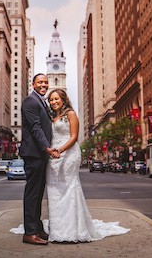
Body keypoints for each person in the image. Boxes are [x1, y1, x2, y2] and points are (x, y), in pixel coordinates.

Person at [46, 88, 130, 243]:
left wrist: (61, 150)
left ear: (64, 99)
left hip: (68, 154)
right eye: (51, 99)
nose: (54, 102)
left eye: (57, 98)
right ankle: (58, 228)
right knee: (54, 189)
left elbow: (74, 137)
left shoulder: (70, 114)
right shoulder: (52, 116)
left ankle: (72, 230)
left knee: (69, 188)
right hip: (53, 156)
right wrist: (52, 151)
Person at [19, 73, 59, 246]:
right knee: (32, 194)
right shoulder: (30, 101)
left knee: (38, 194)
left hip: (39, 154)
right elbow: (35, 127)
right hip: (34, 153)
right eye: (40, 82)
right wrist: (47, 147)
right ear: (33, 84)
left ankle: (38, 228)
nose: (43, 84)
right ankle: (29, 232)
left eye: (45, 82)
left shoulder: (41, 101)